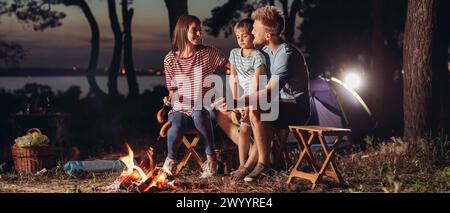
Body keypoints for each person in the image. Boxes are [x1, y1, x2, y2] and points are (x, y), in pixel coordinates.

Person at [213, 6, 310, 182]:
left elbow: (268, 92)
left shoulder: (285, 55)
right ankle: (250, 162)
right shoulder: (264, 52)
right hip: (275, 104)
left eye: (255, 30)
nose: (252, 32)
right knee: (226, 115)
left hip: (295, 107)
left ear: (267, 35)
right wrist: (237, 103)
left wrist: (237, 102)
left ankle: (263, 165)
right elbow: (251, 82)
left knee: (257, 108)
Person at [162, 14, 229, 178]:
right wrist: (170, 99)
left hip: (205, 109)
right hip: (182, 110)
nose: (200, 34)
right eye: (195, 30)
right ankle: (170, 162)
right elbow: (173, 90)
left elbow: (231, 67)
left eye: (200, 30)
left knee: (199, 113)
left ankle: (211, 161)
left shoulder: (209, 53)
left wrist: (232, 92)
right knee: (175, 126)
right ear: (183, 31)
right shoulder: (170, 59)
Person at [227, 19, 266, 181]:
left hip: (257, 96)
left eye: (244, 36)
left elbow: (258, 82)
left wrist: (246, 102)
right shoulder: (234, 54)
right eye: (238, 37)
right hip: (243, 98)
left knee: (253, 124)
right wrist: (236, 102)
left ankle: (251, 167)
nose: (241, 40)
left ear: (253, 36)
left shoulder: (258, 56)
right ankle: (242, 167)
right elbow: (233, 78)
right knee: (243, 130)